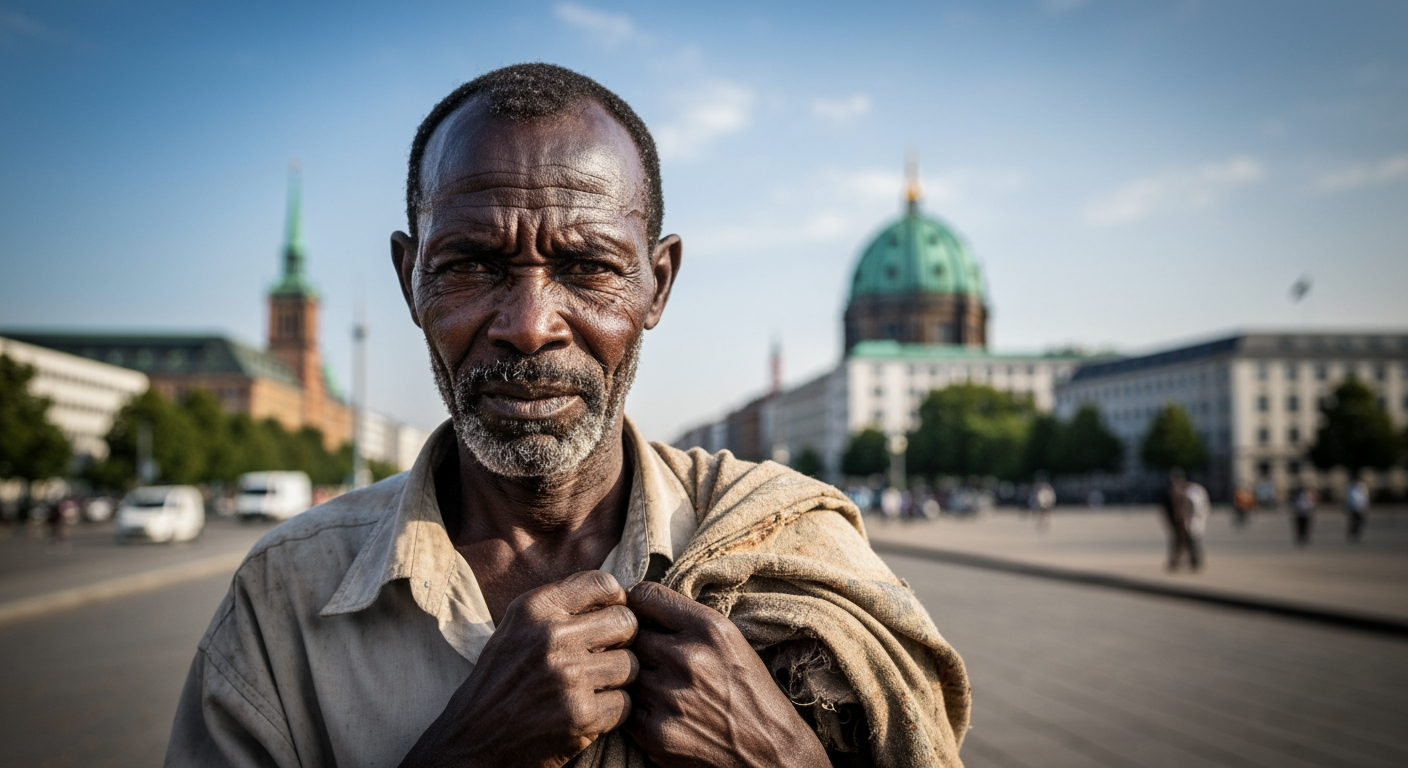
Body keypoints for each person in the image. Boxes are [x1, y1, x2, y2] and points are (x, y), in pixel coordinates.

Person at [166, 64, 969, 768]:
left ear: (657, 284)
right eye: (473, 263)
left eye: (586, 265)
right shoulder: (284, 597)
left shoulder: (798, 552)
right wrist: (464, 754)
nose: (530, 322)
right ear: (410, 277)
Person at [1159, 469, 1201, 571]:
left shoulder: (1178, 492)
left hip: (1181, 521)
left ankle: (1185, 561)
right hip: (1180, 521)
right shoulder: (1180, 492)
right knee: (1183, 542)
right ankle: (1187, 561)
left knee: (1183, 542)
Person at [1345, 478, 1369, 543]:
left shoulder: (1362, 487)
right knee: (1353, 522)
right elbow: (1349, 498)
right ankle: (1352, 534)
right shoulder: (1351, 487)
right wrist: (1347, 508)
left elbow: (1365, 498)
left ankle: (1356, 534)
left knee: (1359, 522)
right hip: (1353, 508)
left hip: (1360, 508)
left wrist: (1365, 507)